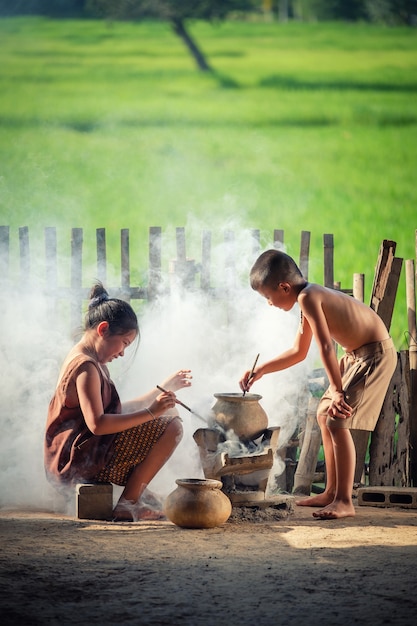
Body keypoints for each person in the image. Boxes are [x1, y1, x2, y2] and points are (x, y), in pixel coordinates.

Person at [239, 249, 397, 520]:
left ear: (284, 287)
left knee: (337, 420)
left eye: (268, 297)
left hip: (374, 354)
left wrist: (337, 391)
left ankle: (345, 501)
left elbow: (325, 346)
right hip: (356, 354)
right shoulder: (307, 297)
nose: (269, 304)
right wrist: (261, 369)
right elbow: (299, 352)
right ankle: (331, 491)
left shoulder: (308, 297)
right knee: (324, 415)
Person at [45, 282, 192, 521]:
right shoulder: (86, 367)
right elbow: (98, 425)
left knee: (168, 417)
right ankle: (128, 505)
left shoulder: (92, 361)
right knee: (172, 427)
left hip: (85, 453)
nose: (123, 352)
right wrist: (153, 412)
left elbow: (116, 412)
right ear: (103, 329)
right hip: (78, 462)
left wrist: (162, 393)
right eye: (124, 343)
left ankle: (135, 496)